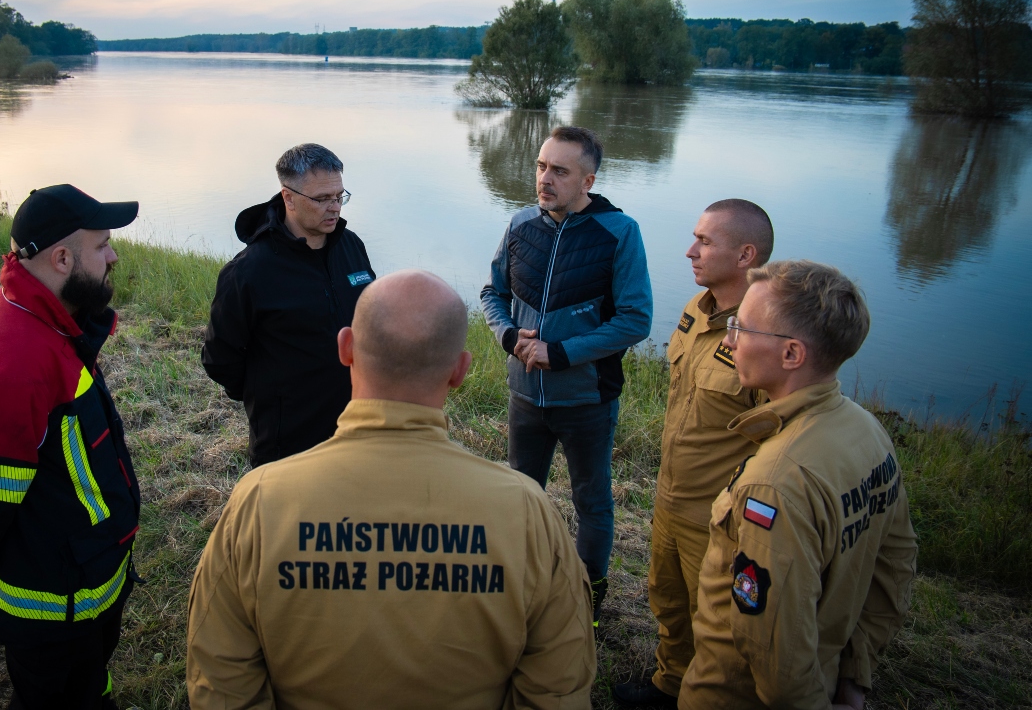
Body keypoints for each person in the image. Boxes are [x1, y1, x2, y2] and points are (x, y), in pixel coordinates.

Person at [186, 270, 597, 710]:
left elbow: (221, 682)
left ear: (346, 348)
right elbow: (558, 688)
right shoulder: (526, 511)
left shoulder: (259, 499)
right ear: (459, 371)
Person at [0, 185, 142, 710]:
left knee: (88, 686)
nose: (114, 255)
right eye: (103, 246)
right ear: (62, 257)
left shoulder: (46, 317)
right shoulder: (19, 358)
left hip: (78, 582)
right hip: (53, 602)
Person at [679, 260, 917, 710]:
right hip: (824, 678)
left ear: (791, 354)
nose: (729, 340)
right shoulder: (865, 431)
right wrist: (854, 675)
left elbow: (775, 657)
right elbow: (895, 565)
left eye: (742, 329)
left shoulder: (775, 483)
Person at [480, 124, 653, 625]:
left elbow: (635, 319)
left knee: (592, 501)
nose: (544, 179)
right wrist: (509, 337)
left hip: (586, 399)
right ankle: (518, 592)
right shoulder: (519, 225)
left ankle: (588, 600)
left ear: (588, 181)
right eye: (540, 166)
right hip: (524, 396)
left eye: (559, 170)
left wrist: (562, 353)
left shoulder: (619, 232)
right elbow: (492, 294)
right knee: (521, 494)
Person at [613, 200, 774, 708]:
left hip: (720, 517)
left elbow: (779, 436)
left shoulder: (766, 334)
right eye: (695, 238)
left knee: (721, 625)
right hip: (669, 497)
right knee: (669, 603)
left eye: (705, 242)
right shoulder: (694, 310)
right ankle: (669, 685)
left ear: (746, 254)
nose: (690, 251)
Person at [202, 143, 375, 466]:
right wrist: (272, 398)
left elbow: (371, 318)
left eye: (339, 196)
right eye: (322, 199)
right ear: (288, 198)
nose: (334, 207)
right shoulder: (250, 271)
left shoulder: (351, 247)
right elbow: (219, 359)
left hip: (357, 427)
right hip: (288, 442)